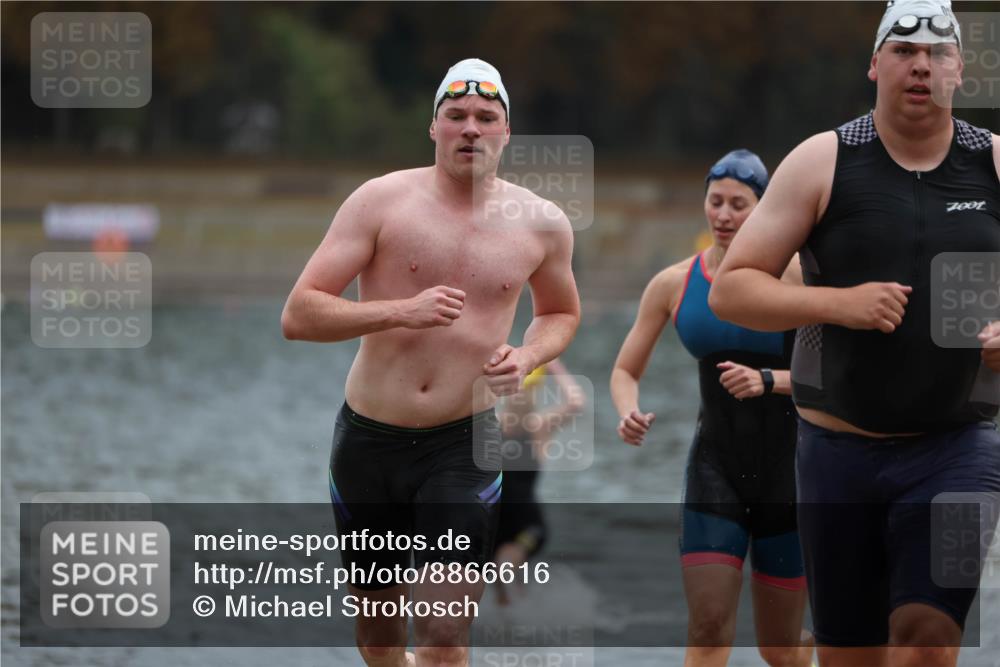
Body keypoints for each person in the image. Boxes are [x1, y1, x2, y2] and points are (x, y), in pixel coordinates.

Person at [709, 1, 1000, 665]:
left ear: (961, 70)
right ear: (875, 64)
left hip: (958, 449)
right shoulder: (824, 160)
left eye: (938, 52)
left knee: (928, 638)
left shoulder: (995, 165)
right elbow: (733, 288)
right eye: (903, 51)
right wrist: (839, 304)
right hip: (838, 454)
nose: (920, 64)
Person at [281, 58, 580, 667]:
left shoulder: (543, 224)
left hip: (464, 444)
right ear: (434, 127)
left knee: (444, 635)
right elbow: (300, 315)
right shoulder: (380, 201)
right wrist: (398, 311)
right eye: (457, 115)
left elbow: (561, 313)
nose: (471, 128)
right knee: (381, 638)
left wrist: (525, 355)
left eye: (485, 117)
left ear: (505, 132)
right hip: (371, 442)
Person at [611, 149, 814, 667]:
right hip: (715, 468)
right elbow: (624, 370)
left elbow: (839, 376)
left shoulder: (796, 278)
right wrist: (627, 409)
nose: (723, 215)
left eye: (739, 205)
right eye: (716, 201)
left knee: (779, 649)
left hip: (790, 475)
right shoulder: (674, 284)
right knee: (707, 625)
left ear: (764, 209)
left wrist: (769, 380)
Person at [492, 359, 585, 605]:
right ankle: (513, 627)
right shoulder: (488, 428)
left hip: (527, 524)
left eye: (527, 396)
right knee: (500, 582)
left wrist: (555, 366)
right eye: (516, 395)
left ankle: (519, 623)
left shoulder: (538, 429)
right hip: (491, 523)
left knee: (505, 567)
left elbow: (575, 403)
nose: (520, 400)